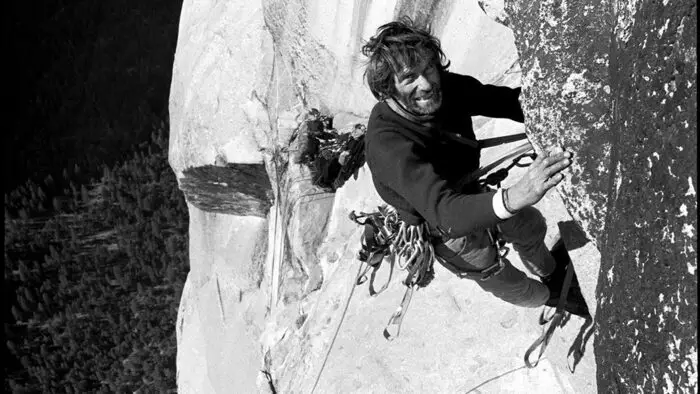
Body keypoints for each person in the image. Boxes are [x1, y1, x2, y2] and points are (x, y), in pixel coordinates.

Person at [361, 17, 588, 316]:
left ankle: (550, 273)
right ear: (388, 89)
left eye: (429, 67)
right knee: (495, 272)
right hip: (440, 221)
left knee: (530, 226)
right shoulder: (387, 144)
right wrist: (512, 197)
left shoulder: (447, 87)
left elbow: (506, 102)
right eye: (409, 78)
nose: (426, 84)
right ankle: (552, 298)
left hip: (467, 188)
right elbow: (445, 212)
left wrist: (563, 106)